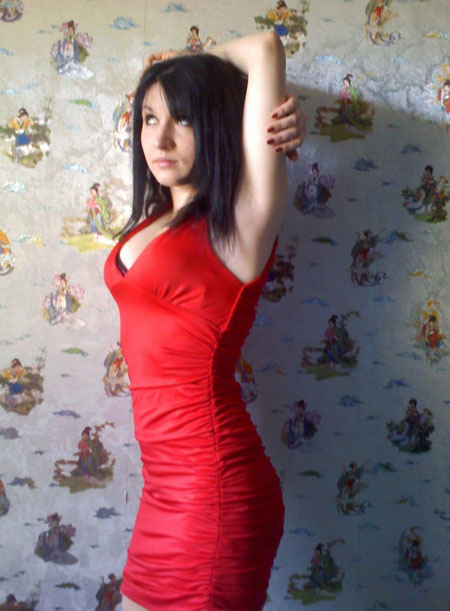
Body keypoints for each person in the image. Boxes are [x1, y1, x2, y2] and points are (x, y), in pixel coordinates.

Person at [104, 31, 305, 610]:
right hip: (164, 487)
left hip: (213, 491)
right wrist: (176, 78)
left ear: (215, 124)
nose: (159, 138)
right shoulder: (159, 216)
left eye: (184, 119)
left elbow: (265, 49)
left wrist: (191, 62)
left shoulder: (242, 219)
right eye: (149, 118)